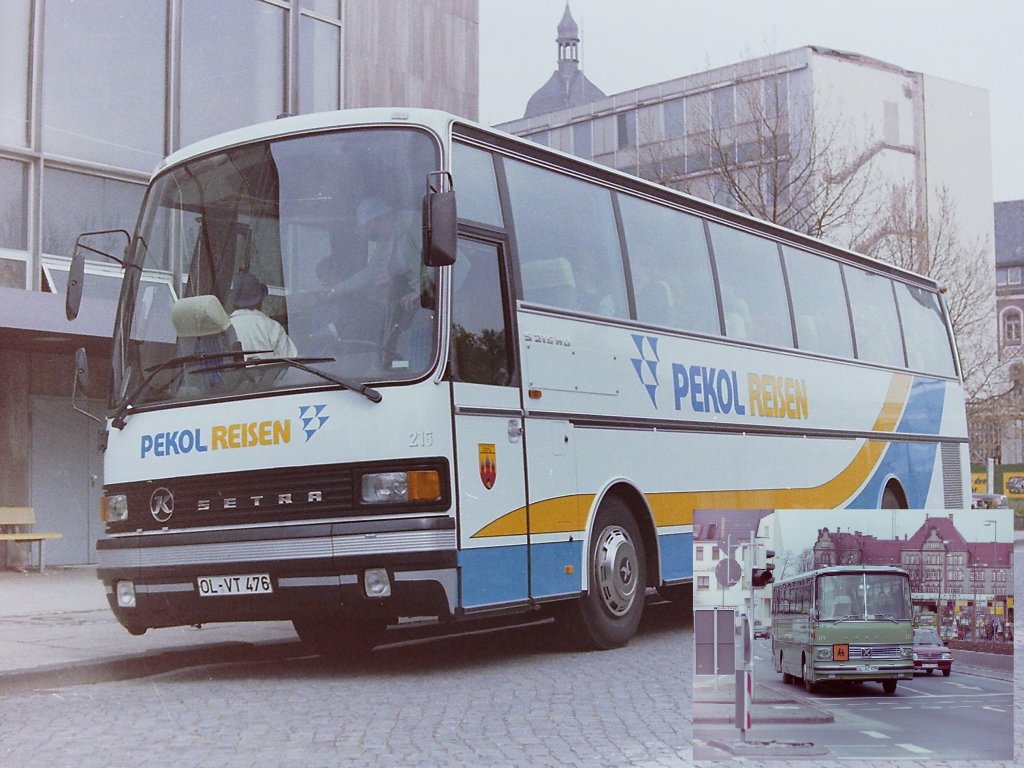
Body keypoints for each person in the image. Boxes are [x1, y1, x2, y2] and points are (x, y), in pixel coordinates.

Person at [228, 273, 297, 360]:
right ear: (260, 300)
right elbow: (291, 362)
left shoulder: (224, 327)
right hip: (271, 374)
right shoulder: (273, 327)